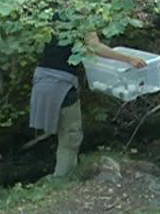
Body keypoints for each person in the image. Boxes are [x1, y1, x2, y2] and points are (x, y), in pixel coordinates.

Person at [30, 26, 146, 177]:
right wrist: (129, 59)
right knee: (71, 136)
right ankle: (63, 179)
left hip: (41, 82)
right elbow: (95, 46)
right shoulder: (82, 20)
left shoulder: (52, 18)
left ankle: (63, 174)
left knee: (62, 133)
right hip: (61, 86)